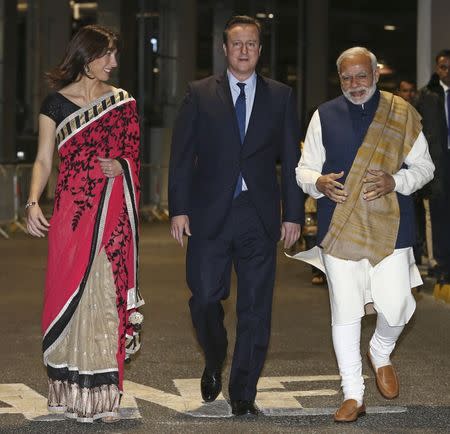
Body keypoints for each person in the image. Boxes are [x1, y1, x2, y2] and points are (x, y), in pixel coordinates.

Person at [168, 15, 303, 416]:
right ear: (225, 49)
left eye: (251, 44)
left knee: (256, 307)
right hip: (209, 215)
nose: (243, 50)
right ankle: (215, 354)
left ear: (260, 51)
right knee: (205, 297)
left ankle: (243, 390)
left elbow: (291, 161)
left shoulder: (280, 96)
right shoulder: (198, 94)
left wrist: (293, 213)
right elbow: (180, 158)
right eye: (236, 43)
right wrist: (178, 209)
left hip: (258, 216)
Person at [295, 47, 434, 423]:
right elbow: (303, 170)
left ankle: (381, 349)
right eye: (346, 78)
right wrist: (318, 182)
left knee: (399, 304)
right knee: (345, 310)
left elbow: (425, 167)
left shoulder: (401, 113)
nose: (354, 84)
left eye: (361, 76)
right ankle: (353, 394)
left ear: (375, 75)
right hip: (339, 226)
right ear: (339, 79)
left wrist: (397, 180)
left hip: (393, 226)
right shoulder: (324, 115)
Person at [26, 25, 143, 423]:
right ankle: (66, 389)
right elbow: (44, 159)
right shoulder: (55, 104)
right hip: (71, 216)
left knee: (104, 297)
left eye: (115, 53)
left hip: (111, 216)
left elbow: (134, 159)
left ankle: (101, 396)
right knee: (66, 299)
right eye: (106, 54)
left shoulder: (122, 103)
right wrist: (31, 200)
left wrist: (121, 168)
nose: (114, 62)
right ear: (85, 57)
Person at [415, 50, 450, 283]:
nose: (447, 71)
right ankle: (442, 265)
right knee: (439, 216)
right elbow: (418, 133)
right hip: (438, 164)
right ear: (437, 68)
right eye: (443, 66)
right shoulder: (427, 95)